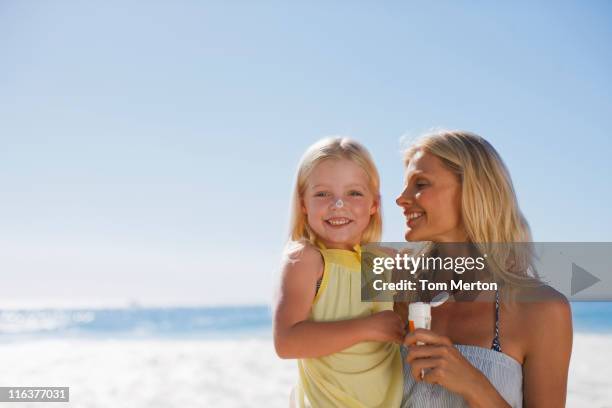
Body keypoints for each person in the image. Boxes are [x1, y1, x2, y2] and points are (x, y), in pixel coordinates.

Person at [395, 130, 572, 407]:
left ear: (473, 191)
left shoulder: (542, 310)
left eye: (420, 183)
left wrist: (474, 385)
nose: (401, 198)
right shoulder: (396, 289)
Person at [273, 137, 405, 407]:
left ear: (374, 205)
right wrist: (368, 328)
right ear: (303, 204)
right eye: (322, 194)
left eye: (353, 193)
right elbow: (286, 342)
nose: (338, 205)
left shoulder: (380, 260)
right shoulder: (307, 259)